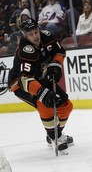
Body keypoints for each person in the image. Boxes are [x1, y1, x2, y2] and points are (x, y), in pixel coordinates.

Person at [8, 18, 73, 152]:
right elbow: (24, 80)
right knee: (45, 104)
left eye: (36, 32)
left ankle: (55, 135)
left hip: (41, 78)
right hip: (21, 84)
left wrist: (55, 65)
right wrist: (41, 92)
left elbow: (60, 52)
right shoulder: (24, 51)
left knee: (66, 106)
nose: (35, 36)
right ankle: (55, 138)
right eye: (31, 34)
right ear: (25, 35)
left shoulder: (47, 36)